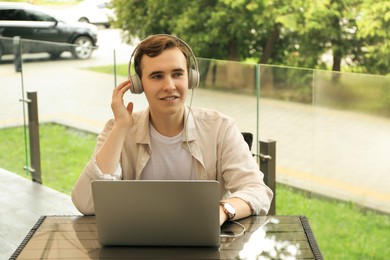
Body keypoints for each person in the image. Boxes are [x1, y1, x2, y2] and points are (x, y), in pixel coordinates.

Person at [71, 34, 273, 225]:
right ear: (139, 84)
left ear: (191, 78)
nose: (169, 86)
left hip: (201, 241)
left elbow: (257, 190)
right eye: (157, 76)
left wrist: (222, 211)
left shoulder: (220, 127)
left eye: (177, 74)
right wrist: (122, 126)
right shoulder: (117, 129)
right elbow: (86, 203)